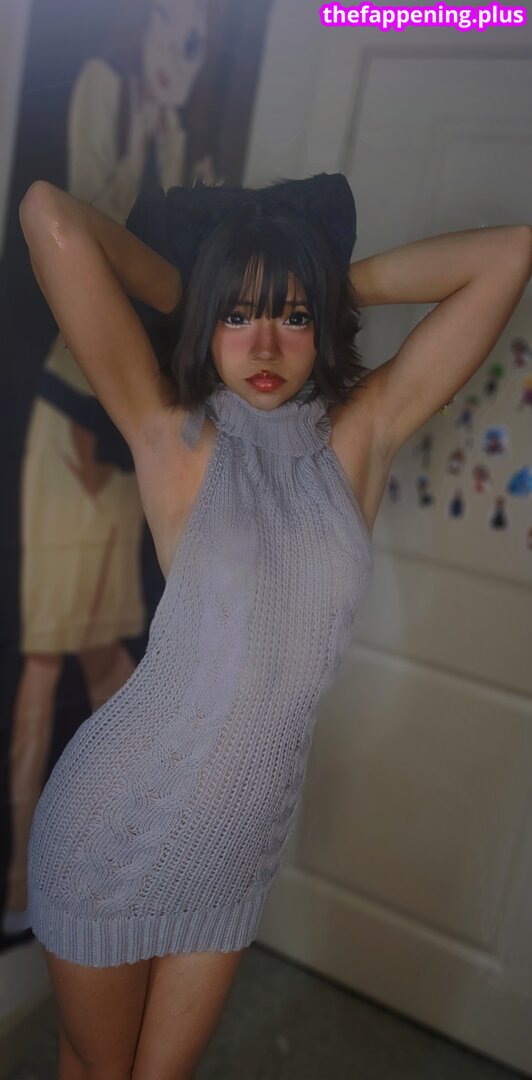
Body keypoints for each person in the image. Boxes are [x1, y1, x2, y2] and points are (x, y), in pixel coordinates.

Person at [18, 172, 531, 1078]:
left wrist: (321, 280)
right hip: (110, 827)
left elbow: (510, 253)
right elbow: (46, 215)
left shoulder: (358, 442)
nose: (264, 343)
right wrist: (204, 283)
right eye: (238, 315)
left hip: (233, 855)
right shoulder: (173, 434)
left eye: (293, 317)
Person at [4, 0, 214, 936]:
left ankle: (120, 851)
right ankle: (21, 873)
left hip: (128, 427)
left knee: (111, 656)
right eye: (168, 27)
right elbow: (77, 228)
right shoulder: (105, 90)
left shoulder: (183, 142)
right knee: (46, 653)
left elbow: (180, 301)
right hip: (68, 418)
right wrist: (144, 143)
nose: (179, 50)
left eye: (195, 41)